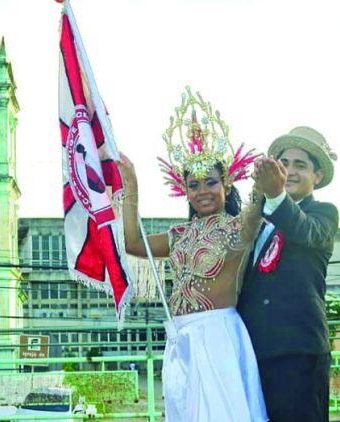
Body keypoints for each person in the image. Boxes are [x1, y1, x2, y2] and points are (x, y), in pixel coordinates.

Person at [119, 87, 267, 421]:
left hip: (217, 335)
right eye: (194, 184)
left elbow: (256, 209)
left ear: (226, 185)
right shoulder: (179, 235)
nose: (202, 191)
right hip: (180, 336)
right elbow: (132, 242)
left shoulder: (238, 228)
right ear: (184, 190)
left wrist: (262, 186)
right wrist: (131, 185)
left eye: (211, 182)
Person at [238, 126, 338, 421]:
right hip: (255, 350)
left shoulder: (325, 214)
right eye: (284, 164)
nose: (290, 171)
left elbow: (302, 230)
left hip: (299, 352)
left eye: (300, 165)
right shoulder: (258, 218)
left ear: (317, 177)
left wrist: (276, 194)